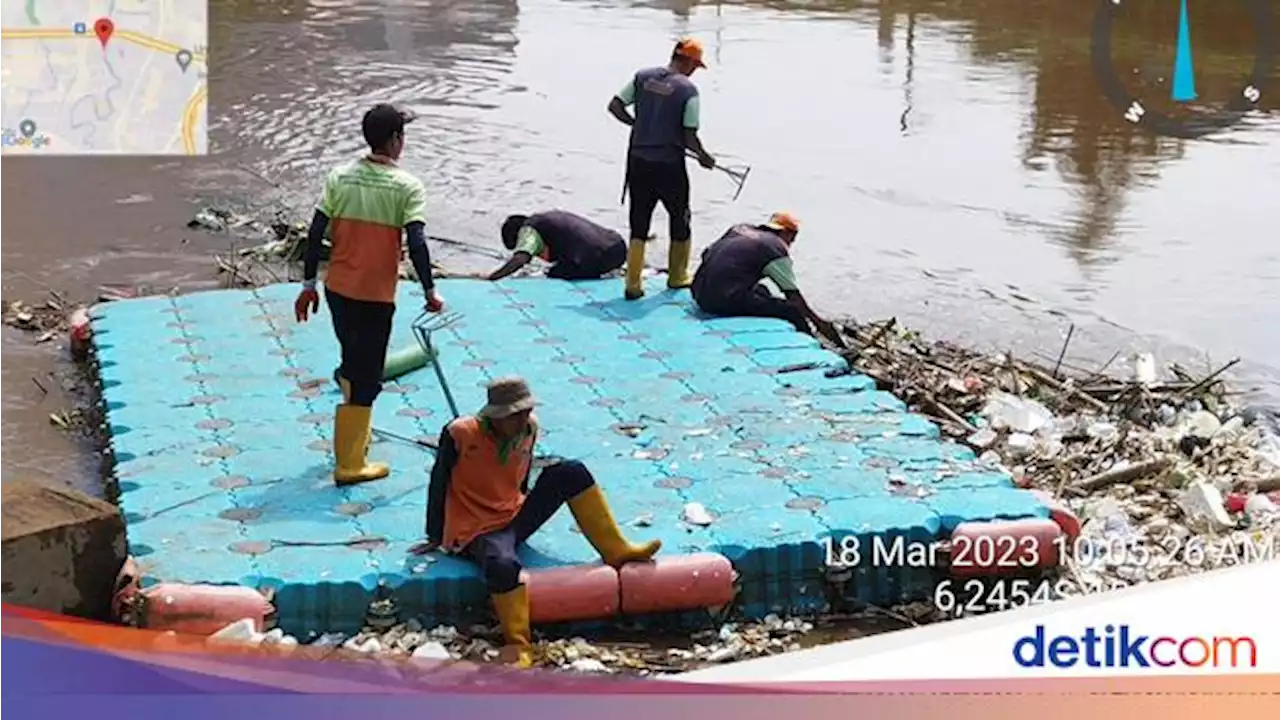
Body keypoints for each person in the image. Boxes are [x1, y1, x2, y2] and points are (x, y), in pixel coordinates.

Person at [420, 377, 661, 668]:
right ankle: (519, 644)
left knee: (571, 472)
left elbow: (521, 470)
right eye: (515, 415)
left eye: (525, 412)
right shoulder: (461, 434)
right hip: (476, 528)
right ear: (497, 416)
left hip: (512, 513)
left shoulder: (529, 428)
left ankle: (616, 549)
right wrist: (435, 533)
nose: (523, 419)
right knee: (503, 565)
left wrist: (524, 502)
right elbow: (439, 480)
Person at [293, 103, 446, 487]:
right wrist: (430, 290)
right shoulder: (407, 186)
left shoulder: (340, 177)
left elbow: (314, 234)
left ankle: (353, 419)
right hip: (376, 296)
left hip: (338, 290)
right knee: (369, 379)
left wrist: (308, 285)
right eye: (403, 136)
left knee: (353, 360)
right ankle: (349, 465)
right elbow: (417, 243)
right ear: (395, 140)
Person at [607, 37, 717, 301]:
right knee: (680, 217)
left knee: (639, 220)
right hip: (669, 165)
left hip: (638, 161)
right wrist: (704, 156)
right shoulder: (688, 91)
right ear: (689, 61)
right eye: (695, 65)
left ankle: (633, 284)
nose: (694, 71)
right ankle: (677, 276)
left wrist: (638, 124)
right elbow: (689, 134)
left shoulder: (642, 77)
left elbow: (615, 106)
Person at [691, 212, 846, 347]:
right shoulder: (774, 248)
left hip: (698, 291)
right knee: (792, 311)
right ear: (787, 233)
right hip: (717, 301)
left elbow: (706, 254)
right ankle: (811, 343)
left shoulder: (739, 229)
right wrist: (819, 323)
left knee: (762, 291)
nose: (791, 243)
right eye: (792, 238)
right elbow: (792, 295)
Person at [483, 211, 627, 281]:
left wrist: (493, 278)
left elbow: (520, 259)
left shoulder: (529, 229)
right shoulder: (550, 218)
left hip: (596, 258)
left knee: (555, 273)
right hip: (619, 249)